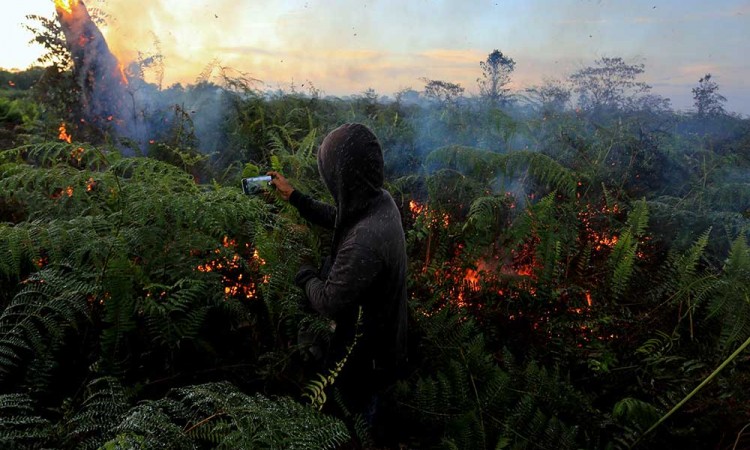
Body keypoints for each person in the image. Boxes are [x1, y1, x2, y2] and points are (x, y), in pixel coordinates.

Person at [268, 123, 407, 434]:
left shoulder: (364, 241)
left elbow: (328, 302)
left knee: (350, 423)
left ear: (342, 176)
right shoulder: (380, 202)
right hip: (381, 342)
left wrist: (305, 275)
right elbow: (341, 217)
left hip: (364, 358)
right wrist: (296, 198)